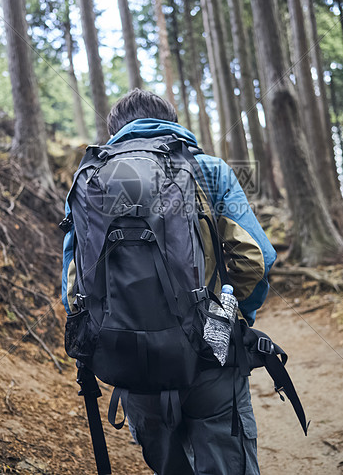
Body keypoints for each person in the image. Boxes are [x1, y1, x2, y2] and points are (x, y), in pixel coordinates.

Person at [61, 89, 276, 475]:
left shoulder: (90, 179)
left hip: (131, 365)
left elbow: (73, 286)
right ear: (171, 123)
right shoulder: (207, 169)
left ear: (115, 133)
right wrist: (232, 317)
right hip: (210, 357)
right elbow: (256, 258)